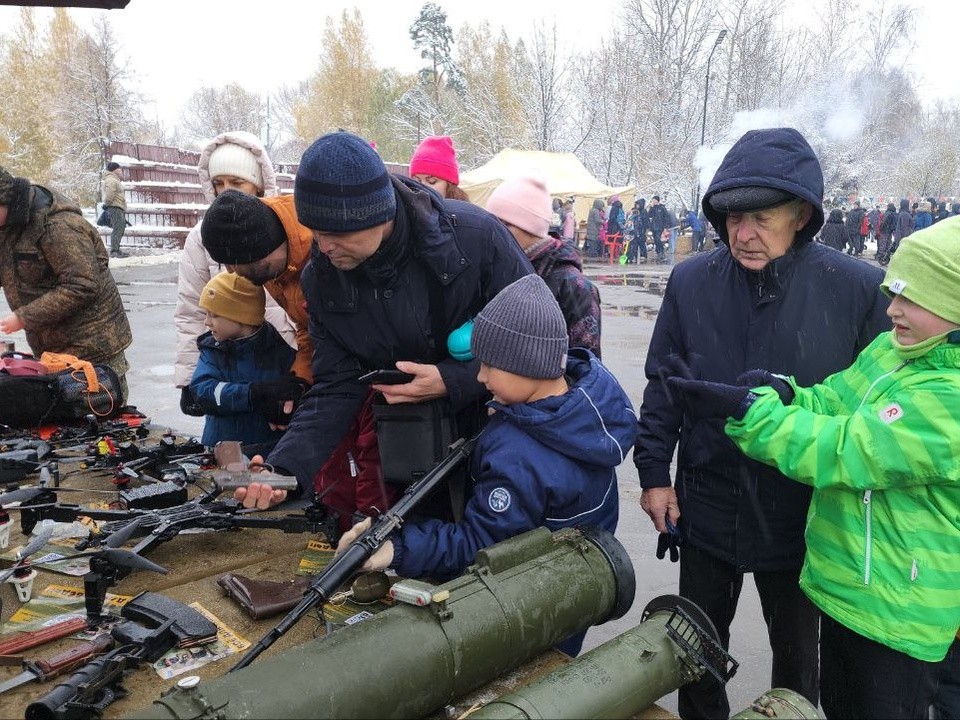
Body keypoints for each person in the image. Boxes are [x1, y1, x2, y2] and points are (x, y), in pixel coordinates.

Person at [633, 127, 891, 720]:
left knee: (800, 664)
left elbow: (874, 415)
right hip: (705, 505)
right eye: (731, 218)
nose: (742, 234)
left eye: (761, 218)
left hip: (805, 519)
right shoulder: (692, 280)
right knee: (692, 650)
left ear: (802, 214)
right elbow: (663, 385)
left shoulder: (857, 289)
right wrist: (653, 473)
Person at [667, 216, 960, 719]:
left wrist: (751, 416)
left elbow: (846, 449)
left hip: (900, 612)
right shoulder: (897, 350)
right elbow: (834, 400)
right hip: (850, 592)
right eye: (894, 292)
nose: (893, 309)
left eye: (913, 299)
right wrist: (784, 390)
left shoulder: (948, 398)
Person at [231, 131, 533, 512]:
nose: (323, 248)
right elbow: (336, 386)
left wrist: (454, 379)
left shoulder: (476, 239)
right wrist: (284, 468)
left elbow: (547, 349)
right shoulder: (321, 278)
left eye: (337, 234)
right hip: (410, 454)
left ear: (380, 214)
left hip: (504, 445)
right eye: (317, 233)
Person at [335, 274, 636, 654]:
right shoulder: (587, 407)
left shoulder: (520, 454)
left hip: (525, 612)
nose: (479, 376)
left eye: (490, 365)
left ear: (528, 364)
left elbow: (481, 546)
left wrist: (397, 547)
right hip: (573, 595)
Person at [174, 131, 297, 410]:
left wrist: (301, 371)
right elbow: (191, 309)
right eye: (219, 182)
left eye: (237, 181)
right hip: (228, 360)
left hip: (281, 352)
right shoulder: (201, 238)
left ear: (257, 184)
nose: (226, 189)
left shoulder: (281, 230)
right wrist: (188, 379)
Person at [0, 164, 133, 401]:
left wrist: (23, 317)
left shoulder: (57, 226)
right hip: (53, 349)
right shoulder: (8, 224)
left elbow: (82, 284)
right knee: (58, 416)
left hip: (93, 348)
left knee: (99, 419)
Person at [485, 175, 602, 357]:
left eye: (505, 225)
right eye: (491, 224)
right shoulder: (495, 268)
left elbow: (585, 365)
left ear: (530, 227)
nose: (495, 233)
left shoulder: (573, 287)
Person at [188, 272, 297, 452]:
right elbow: (203, 392)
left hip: (270, 451)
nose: (207, 322)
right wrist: (251, 394)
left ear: (241, 316)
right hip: (221, 451)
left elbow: (296, 394)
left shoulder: (281, 354)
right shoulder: (213, 352)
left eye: (213, 315)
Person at [408, 135, 470, 201]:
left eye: (431, 181)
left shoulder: (466, 210)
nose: (421, 188)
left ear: (449, 186)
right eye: (417, 181)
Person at [101, 161, 128, 259]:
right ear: (115, 170)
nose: (121, 171)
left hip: (117, 206)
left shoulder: (114, 179)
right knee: (118, 228)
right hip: (114, 207)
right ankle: (114, 251)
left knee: (120, 227)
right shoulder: (111, 180)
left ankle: (116, 249)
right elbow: (109, 194)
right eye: (119, 169)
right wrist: (107, 204)